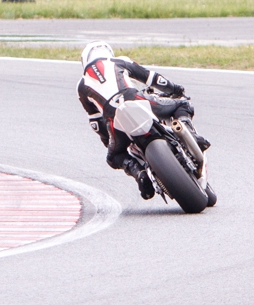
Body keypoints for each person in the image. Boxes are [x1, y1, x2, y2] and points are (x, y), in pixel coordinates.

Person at [77, 41, 200, 199]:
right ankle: (192, 137)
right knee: (182, 104)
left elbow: (95, 122)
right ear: (108, 53)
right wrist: (175, 89)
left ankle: (139, 173)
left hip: (113, 118)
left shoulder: (82, 85)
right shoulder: (119, 61)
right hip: (136, 99)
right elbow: (152, 78)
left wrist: (108, 140)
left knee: (113, 157)